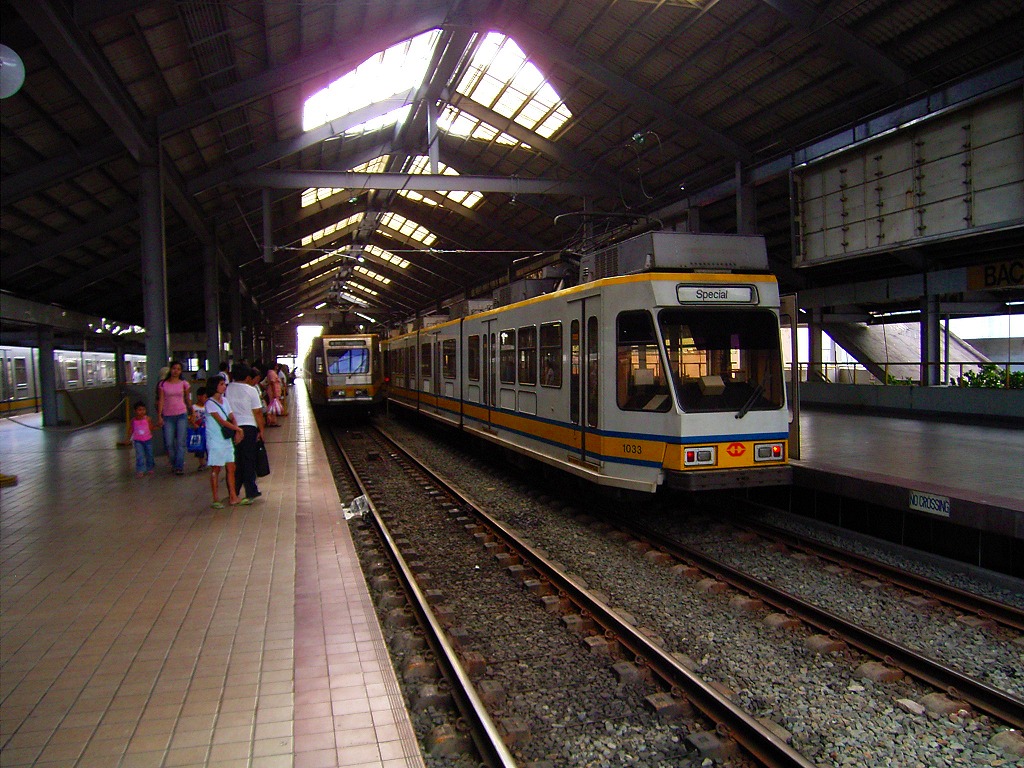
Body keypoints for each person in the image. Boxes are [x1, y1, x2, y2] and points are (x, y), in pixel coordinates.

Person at [226, 363, 265, 505]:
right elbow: (258, 412)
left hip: (233, 427)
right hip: (249, 428)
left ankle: (234, 491)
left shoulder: (227, 389)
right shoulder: (251, 390)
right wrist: (261, 430)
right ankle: (250, 491)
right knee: (249, 460)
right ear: (248, 377)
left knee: (235, 460)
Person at [204, 377, 242, 508]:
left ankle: (233, 496)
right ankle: (216, 499)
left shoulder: (225, 400)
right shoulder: (209, 403)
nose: (224, 386)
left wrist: (236, 428)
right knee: (216, 468)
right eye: (221, 384)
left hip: (226, 440)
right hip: (215, 440)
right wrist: (237, 429)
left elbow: (231, 416)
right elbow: (221, 421)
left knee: (231, 467)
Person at [156, 360, 193, 475]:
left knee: (181, 442)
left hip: (181, 414)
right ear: (170, 369)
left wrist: (192, 411)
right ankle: (174, 462)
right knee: (169, 442)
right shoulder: (163, 384)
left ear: (181, 371)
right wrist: (159, 415)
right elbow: (161, 400)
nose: (176, 371)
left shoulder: (184, 384)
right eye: (174, 368)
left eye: (178, 369)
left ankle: (179, 466)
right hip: (168, 416)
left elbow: (187, 399)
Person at [124, 401, 156, 477]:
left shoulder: (147, 419)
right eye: (139, 410)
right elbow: (131, 430)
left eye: (143, 410)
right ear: (135, 411)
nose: (142, 412)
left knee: (149, 454)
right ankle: (140, 469)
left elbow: (151, 427)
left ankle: (150, 467)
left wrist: (156, 427)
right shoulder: (133, 421)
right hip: (138, 441)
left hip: (147, 440)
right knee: (139, 455)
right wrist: (128, 439)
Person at [189, 386, 210, 470]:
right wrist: (194, 423)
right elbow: (190, 419)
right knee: (199, 448)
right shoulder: (194, 408)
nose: (206, 399)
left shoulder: (208, 407)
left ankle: (209, 460)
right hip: (198, 430)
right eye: (205, 397)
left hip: (207, 430)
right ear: (199, 397)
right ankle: (201, 463)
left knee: (208, 446)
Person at [263, 362, 282, 427]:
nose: (277, 367)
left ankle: (272, 421)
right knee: (272, 407)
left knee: (273, 406)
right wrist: (274, 393)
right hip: (273, 392)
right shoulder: (272, 373)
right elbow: (272, 383)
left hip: (274, 392)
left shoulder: (271, 372)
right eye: (276, 366)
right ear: (274, 366)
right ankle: (271, 421)